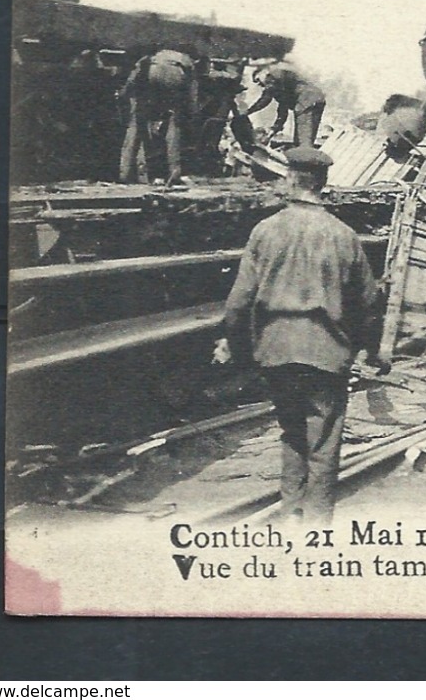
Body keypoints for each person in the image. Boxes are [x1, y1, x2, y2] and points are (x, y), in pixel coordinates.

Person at [213, 146, 381, 525]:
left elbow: (239, 300)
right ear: (323, 183)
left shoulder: (265, 231)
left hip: (276, 351)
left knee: (291, 432)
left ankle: (290, 515)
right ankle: (317, 526)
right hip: (326, 353)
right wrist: (372, 351)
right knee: (323, 442)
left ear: (290, 180)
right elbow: (369, 303)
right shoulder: (344, 236)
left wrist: (234, 344)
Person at [118, 48, 200, 185]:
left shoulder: (154, 55)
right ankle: (174, 172)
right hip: (173, 77)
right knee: (173, 128)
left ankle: (125, 173)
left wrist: (124, 93)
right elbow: (192, 92)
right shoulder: (186, 59)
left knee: (138, 128)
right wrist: (191, 113)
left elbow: (135, 75)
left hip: (151, 72)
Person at [247, 60, 328, 150]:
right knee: (306, 139)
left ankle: (303, 156)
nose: (260, 85)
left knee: (302, 142)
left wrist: (246, 112)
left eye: (258, 80)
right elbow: (282, 113)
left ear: (264, 72)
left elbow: (265, 100)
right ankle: (305, 154)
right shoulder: (282, 88)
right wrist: (272, 132)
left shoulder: (273, 76)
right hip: (317, 99)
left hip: (307, 99)